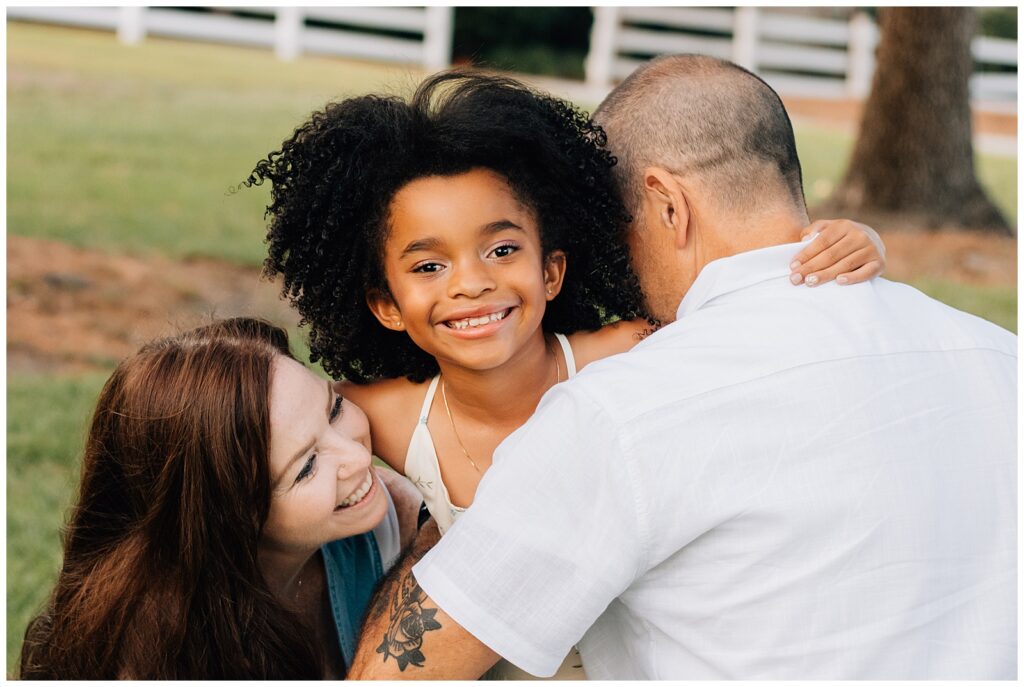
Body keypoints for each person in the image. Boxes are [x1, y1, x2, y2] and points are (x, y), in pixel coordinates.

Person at [347, 56, 1017, 680]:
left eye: (619, 226)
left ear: (669, 205)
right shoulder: (1000, 357)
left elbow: (397, 671)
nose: (617, 262)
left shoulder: (626, 410)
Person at [248, 71, 886, 679]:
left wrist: (854, 242)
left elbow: (759, 333)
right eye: (428, 267)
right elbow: (240, 415)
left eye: (502, 250)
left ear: (551, 271)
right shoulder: (380, 419)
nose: (472, 282)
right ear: (386, 305)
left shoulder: (638, 356)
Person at [18, 317, 422, 679]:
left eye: (333, 410)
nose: (356, 456)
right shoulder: (151, 652)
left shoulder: (400, 521)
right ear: (230, 513)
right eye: (306, 467)